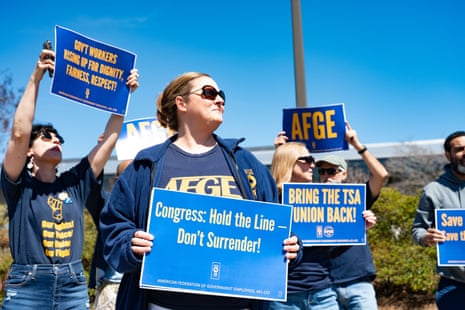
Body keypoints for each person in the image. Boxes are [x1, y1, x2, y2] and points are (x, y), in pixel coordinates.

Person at [99, 72, 301, 310]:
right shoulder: (146, 165)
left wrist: (291, 246)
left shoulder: (245, 162)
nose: (219, 100)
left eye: (221, 95)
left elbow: (280, 225)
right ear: (181, 103)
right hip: (164, 304)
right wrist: (130, 244)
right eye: (209, 93)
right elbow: (114, 229)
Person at [0, 47, 138, 309]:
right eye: (46, 137)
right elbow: (19, 133)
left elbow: (108, 141)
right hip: (28, 288)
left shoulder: (75, 183)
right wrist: (36, 78)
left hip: (72, 288)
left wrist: (124, 96)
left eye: (59, 139)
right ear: (29, 151)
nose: (55, 141)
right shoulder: (19, 185)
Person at [275, 122, 388, 310]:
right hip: (322, 284)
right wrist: (281, 152)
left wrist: (357, 145)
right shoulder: (305, 197)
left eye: (332, 170)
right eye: (322, 171)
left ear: (344, 174)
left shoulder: (354, 199)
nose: (326, 174)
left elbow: (381, 175)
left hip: (353, 281)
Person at [267, 142, 339, 310]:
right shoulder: (269, 200)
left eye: (312, 159)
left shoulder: (322, 199)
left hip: (323, 293)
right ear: (288, 162)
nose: (312, 165)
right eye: (306, 160)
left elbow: (334, 243)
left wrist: (357, 225)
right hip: (283, 297)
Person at [412, 130, 465, 309]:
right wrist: (426, 238)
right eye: (460, 149)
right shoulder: (433, 191)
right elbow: (417, 229)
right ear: (448, 155)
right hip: (454, 285)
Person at [88, 159, 132, 310]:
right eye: (127, 175)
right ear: (116, 181)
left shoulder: (152, 205)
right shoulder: (107, 204)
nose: (133, 179)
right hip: (110, 286)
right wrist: (103, 149)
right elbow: (92, 188)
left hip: (139, 288)